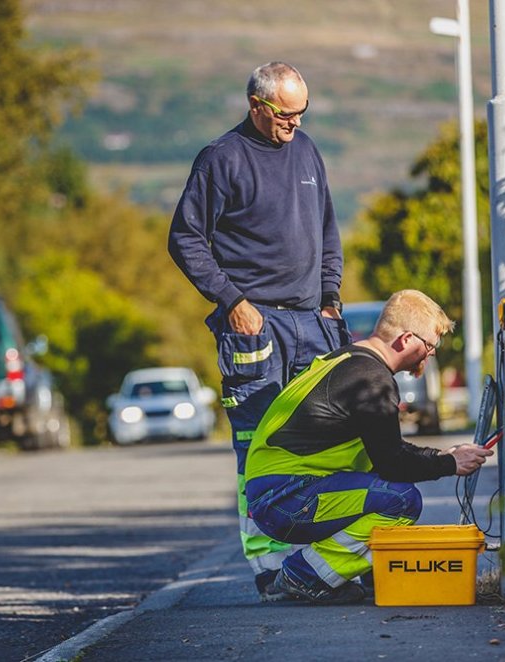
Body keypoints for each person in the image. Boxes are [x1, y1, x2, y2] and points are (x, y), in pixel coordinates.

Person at [168, 61, 349, 601]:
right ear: (256, 105)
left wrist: (332, 300)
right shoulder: (221, 160)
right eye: (285, 114)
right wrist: (232, 302)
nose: (294, 124)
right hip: (254, 326)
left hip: (314, 324)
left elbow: (328, 232)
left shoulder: (308, 152)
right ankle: (271, 570)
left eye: (302, 113)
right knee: (257, 446)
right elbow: (185, 240)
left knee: (321, 445)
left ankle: (313, 568)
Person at [244, 290, 494, 605]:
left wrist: (445, 456)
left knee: (382, 485)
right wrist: (449, 465)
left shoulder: (348, 361)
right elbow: (393, 463)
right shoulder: (371, 380)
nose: (430, 354)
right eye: (430, 345)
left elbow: (387, 450)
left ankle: (356, 574)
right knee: (401, 500)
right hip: (285, 499)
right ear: (406, 340)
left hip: (278, 493)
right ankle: (305, 575)